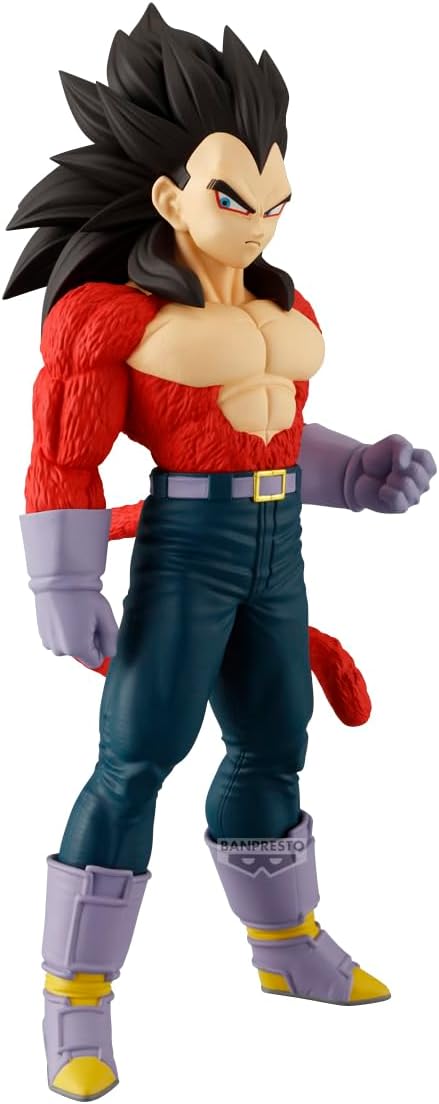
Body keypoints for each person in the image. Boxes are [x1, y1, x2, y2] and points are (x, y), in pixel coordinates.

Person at [5, 4, 436, 1100]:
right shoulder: (109, 317)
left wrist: (360, 470)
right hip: (187, 548)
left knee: (275, 741)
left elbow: (272, 433)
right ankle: (76, 998)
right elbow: (64, 452)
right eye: (236, 200)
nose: (261, 224)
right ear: (168, 197)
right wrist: (63, 576)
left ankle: (285, 945)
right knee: (136, 756)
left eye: (276, 200)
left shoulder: (279, 302)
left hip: (277, 544)